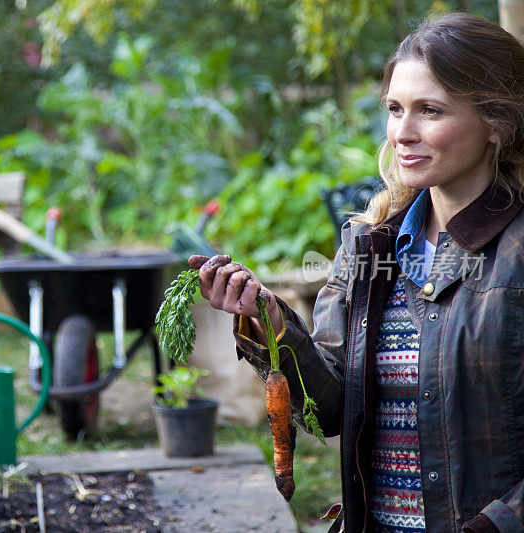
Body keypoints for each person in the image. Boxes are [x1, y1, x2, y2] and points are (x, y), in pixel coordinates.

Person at [191, 12, 524, 533]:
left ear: (496, 123)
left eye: (429, 111)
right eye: (395, 109)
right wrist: (270, 323)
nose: (402, 133)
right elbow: (329, 412)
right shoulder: (372, 244)